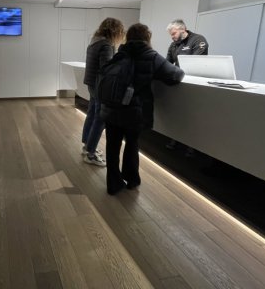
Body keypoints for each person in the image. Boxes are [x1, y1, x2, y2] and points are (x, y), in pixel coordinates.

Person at [101, 23, 184, 194]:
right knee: (132, 144)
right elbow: (176, 75)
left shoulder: (120, 54)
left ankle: (113, 184)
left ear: (128, 37)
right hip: (134, 111)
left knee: (112, 147)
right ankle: (131, 179)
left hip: (112, 109)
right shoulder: (151, 56)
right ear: (147, 38)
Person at [81, 17, 124, 167]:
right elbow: (107, 68)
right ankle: (90, 153)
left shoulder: (94, 42)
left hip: (92, 84)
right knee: (100, 119)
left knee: (92, 114)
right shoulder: (106, 45)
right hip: (100, 86)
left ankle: (87, 145)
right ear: (115, 31)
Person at [165, 19, 208, 155]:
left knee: (192, 117)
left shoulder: (198, 40)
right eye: (171, 35)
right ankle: (175, 138)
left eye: (174, 33)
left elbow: (195, 64)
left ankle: (191, 146)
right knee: (178, 115)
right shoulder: (173, 45)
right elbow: (167, 63)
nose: (172, 37)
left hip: (194, 87)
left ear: (183, 29)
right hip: (179, 84)